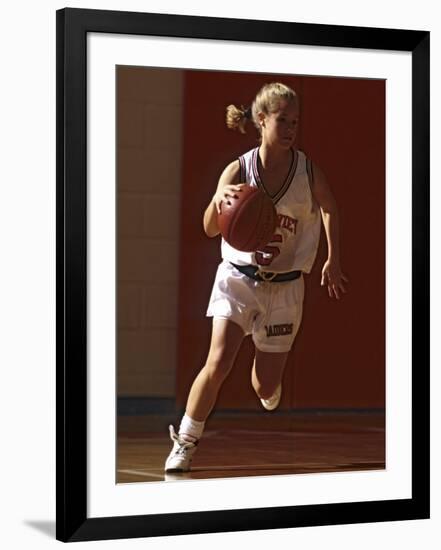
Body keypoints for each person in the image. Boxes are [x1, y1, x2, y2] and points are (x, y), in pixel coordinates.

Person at [165, 82, 348, 473]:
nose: (290, 129)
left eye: (295, 122)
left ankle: (268, 383)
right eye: (283, 120)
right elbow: (210, 229)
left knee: (265, 387)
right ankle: (185, 441)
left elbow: (330, 208)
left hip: (284, 286)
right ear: (261, 121)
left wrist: (333, 258)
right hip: (238, 279)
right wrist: (221, 202)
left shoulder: (307, 170)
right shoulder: (237, 169)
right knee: (217, 361)